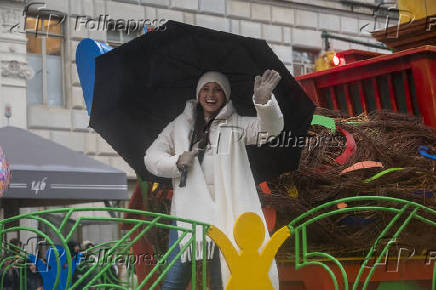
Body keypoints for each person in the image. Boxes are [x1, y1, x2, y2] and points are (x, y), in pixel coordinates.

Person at [144, 69, 283, 289]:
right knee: (175, 279)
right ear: (198, 93)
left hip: (226, 214)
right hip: (187, 214)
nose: (211, 94)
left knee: (224, 277)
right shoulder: (180, 125)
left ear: (226, 95)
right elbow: (151, 157)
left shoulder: (236, 125)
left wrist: (263, 101)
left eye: (218, 89)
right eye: (206, 88)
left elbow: (270, 129)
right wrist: (177, 162)